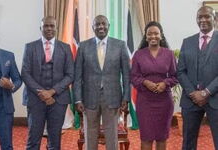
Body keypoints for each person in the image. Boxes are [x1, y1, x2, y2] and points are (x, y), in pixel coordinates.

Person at [73, 15, 130, 150]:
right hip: (89, 98)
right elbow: (77, 76)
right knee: (90, 134)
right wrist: (77, 99)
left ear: (108, 26)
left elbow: (127, 75)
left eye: (103, 23)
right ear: (93, 27)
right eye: (97, 24)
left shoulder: (120, 45)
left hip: (113, 97)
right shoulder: (83, 46)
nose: (100, 26)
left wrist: (126, 97)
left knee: (112, 135)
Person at [21, 16, 74, 150]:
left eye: (52, 26)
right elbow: (25, 74)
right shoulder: (30, 47)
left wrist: (51, 92)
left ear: (56, 28)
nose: (49, 28)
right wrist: (42, 93)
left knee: (55, 139)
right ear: (41, 28)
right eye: (46, 26)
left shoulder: (65, 48)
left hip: (58, 99)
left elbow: (70, 75)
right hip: (35, 99)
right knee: (33, 138)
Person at [131, 21, 178, 150]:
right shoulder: (139, 54)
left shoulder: (169, 54)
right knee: (146, 137)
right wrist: (145, 82)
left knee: (162, 137)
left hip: (164, 101)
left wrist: (165, 83)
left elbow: (175, 76)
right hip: (145, 102)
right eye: (149, 34)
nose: (153, 36)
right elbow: (133, 77)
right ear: (146, 36)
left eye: (156, 33)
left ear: (161, 35)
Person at [177, 6, 218, 149]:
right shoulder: (187, 42)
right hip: (191, 100)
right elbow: (180, 71)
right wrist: (193, 93)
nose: (203, 20)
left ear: (215, 19)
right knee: (188, 142)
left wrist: (206, 92)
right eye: (199, 17)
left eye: (207, 16)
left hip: (215, 100)